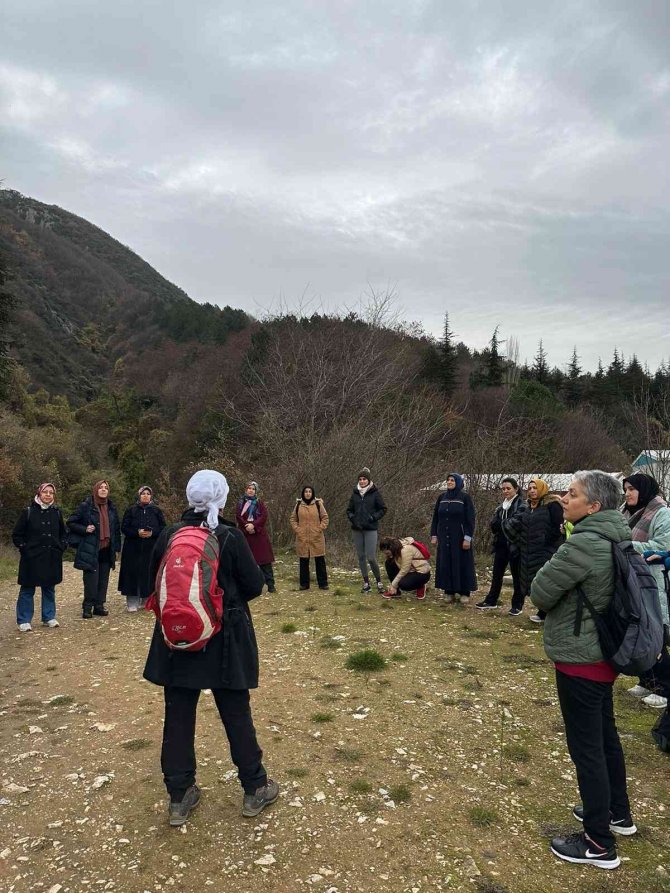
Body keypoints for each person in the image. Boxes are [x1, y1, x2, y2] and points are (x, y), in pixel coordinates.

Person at [143, 469, 278, 827]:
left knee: (178, 716)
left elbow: (150, 583)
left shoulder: (170, 534)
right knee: (235, 713)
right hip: (224, 640)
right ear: (219, 496)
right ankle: (254, 788)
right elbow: (253, 584)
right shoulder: (229, 536)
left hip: (177, 640)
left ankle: (179, 795)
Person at [531, 470, 637, 870]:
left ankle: (598, 842)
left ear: (593, 506)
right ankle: (617, 813)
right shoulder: (618, 537)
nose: (564, 499)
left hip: (581, 658)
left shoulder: (583, 544)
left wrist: (564, 540)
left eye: (572, 495)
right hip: (604, 655)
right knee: (606, 736)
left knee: (586, 748)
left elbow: (540, 590)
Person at [621, 474, 670, 708]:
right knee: (639, 632)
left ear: (645, 489)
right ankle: (647, 680)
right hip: (632, 580)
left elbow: (664, 544)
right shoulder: (628, 512)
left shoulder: (662, 512)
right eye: (625, 489)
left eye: (632, 489)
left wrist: (625, 545)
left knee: (656, 634)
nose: (627, 493)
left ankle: (665, 687)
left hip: (653, 582)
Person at [503, 478, 564, 619]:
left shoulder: (552, 505)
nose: (531, 491)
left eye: (535, 488)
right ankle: (542, 611)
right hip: (529, 551)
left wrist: (546, 542)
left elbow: (558, 527)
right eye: (529, 488)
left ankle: (545, 613)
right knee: (533, 582)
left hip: (546, 551)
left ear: (542, 488)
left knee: (546, 581)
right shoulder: (529, 506)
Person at [12, 482, 67, 631]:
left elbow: (63, 534)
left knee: (49, 588)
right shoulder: (28, 511)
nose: (48, 495)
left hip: (51, 556)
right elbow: (17, 535)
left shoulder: (56, 512)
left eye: (51, 492)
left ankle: (48, 616)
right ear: (39, 494)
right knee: (27, 589)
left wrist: (61, 547)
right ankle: (24, 619)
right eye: (45, 492)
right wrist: (25, 550)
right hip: (32, 558)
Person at [67, 481, 122, 619]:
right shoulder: (86, 506)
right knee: (91, 580)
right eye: (101, 488)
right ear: (95, 490)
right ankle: (87, 607)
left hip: (107, 548)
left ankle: (99, 606)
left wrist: (116, 548)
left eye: (106, 488)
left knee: (103, 579)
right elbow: (71, 522)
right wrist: (85, 529)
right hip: (91, 548)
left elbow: (116, 529)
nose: (103, 490)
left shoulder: (111, 507)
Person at [476, 477, 523, 610]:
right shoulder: (501, 506)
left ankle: (517, 605)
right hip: (501, 543)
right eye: (503, 489)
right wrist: (501, 524)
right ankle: (491, 601)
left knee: (516, 576)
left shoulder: (521, 505)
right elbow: (493, 525)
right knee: (497, 574)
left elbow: (516, 524)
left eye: (508, 488)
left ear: (516, 489)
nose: (505, 491)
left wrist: (501, 524)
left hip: (515, 545)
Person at [118, 486, 167, 612]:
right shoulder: (131, 510)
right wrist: (136, 532)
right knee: (131, 574)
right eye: (143, 493)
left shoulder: (156, 511)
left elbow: (163, 528)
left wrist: (152, 533)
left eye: (148, 493)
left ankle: (146, 600)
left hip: (150, 548)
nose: (145, 495)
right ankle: (132, 601)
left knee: (149, 573)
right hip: (132, 548)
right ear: (139, 496)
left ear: (151, 496)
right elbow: (124, 527)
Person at [430, 473, 477, 603]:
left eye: (452, 480)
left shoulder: (465, 498)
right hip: (444, 536)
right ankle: (448, 590)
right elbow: (435, 518)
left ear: (458, 482)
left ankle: (464, 592)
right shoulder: (442, 498)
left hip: (460, 537)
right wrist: (434, 535)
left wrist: (467, 537)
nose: (449, 482)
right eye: (448, 480)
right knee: (446, 562)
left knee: (461, 563)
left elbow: (470, 519)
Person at [346, 467, 387, 593]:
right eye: (360, 479)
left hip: (370, 529)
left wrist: (372, 517)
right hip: (357, 529)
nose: (362, 481)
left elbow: (383, 509)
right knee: (361, 557)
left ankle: (379, 582)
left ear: (369, 480)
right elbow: (349, 510)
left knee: (371, 557)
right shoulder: (355, 494)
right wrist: (353, 519)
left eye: (364, 479)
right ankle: (366, 583)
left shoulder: (375, 493)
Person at [236, 481, 276, 593]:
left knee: (265, 561)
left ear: (256, 491)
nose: (251, 490)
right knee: (247, 562)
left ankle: (270, 585)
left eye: (253, 489)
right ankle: (249, 586)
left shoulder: (259, 503)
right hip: (246, 535)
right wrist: (247, 526)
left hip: (259, 535)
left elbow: (264, 516)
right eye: (249, 488)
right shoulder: (240, 503)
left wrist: (254, 525)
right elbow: (238, 516)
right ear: (246, 490)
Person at [289, 486, 329, 590]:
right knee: (303, 561)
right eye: (306, 491)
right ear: (303, 493)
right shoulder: (298, 504)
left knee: (320, 560)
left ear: (312, 493)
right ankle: (304, 584)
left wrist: (319, 528)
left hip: (317, 537)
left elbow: (325, 518)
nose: (307, 493)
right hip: (302, 537)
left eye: (310, 491)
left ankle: (323, 583)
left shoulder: (318, 504)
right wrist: (298, 530)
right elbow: (293, 519)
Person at [379, 536, 431, 600]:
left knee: (403, 584)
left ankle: (420, 586)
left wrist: (393, 585)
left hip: (421, 573)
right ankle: (395, 592)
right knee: (389, 563)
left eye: (387, 553)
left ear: (391, 548)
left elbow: (404, 570)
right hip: (411, 570)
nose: (387, 555)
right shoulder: (397, 549)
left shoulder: (405, 550)